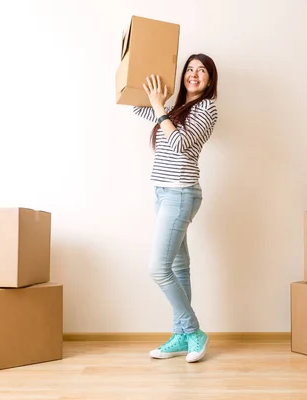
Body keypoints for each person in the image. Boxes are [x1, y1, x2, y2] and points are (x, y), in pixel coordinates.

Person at [132, 53, 218, 363]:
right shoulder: (174, 107)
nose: (195, 74)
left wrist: (159, 107)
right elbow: (134, 104)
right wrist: (136, 67)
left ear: (210, 79)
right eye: (190, 69)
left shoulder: (207, 109)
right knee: (179, 267)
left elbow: (180, 144)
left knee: (158, 268)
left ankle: (193, 331)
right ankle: (181, 335)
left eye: (202, 70)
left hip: (181, 194)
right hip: (162, 192)